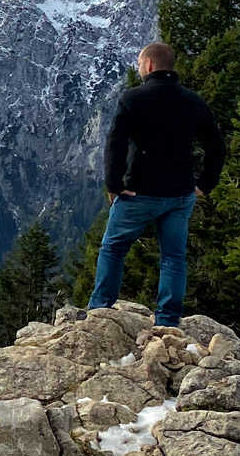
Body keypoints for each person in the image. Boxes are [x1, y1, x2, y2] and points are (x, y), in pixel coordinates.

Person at [90, 41, 226, 329]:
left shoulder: (133, 98)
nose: (139, 68)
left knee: (113, 248)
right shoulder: (193, 101)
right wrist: (204, 185)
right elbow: (216, 147)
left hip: (141, 191)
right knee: (174, 257)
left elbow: (115, 144)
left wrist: (114, 184)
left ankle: (100, 310)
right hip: (180, 193)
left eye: (140, 64)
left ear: (149, 65)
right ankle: (167, 321)